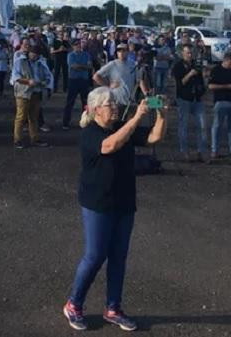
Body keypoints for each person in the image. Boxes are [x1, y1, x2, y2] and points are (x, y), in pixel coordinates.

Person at [62, 91, 167, 332]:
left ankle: (113, 308)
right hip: (97, 203)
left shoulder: (122, 126)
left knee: (119, 257)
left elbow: (154, 137)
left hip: (124, 201)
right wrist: (136, 117)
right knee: (95, 256)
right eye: (109, 104)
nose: (114, 107)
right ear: (96, 109)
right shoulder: (90, 133)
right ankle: (73, 304)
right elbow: (110, 146)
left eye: (114, 103)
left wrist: (161, 114)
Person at [171, 44, 207, 162]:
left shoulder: (196, 65)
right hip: (184, 99)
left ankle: (201, 152)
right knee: (183, 126)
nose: (190, 55)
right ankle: (184, 151)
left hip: (197, 98)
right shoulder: (178, 66)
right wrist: (190, 74)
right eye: (187, 53)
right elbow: (180, 83)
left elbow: (201, 80)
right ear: (182, 53)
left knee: (202, 126)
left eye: (191, 53)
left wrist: (202, 89)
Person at [11, 41, 50, 149]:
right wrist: (28, 81)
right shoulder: (20, 62)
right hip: (23, 92)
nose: (35, 56)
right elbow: (16, 77)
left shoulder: (40, 63)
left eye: (37, 55)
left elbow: (47, 76)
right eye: (33, 54)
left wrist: (44, 82)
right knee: (21, 116)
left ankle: (35, 138)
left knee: (34, 117)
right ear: (29, 53)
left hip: (36, 92)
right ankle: (17, 140)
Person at [208, 52, 231, 160]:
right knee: (217, 126)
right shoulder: (216, 70)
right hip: (220, 101)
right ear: (225, 60)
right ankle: (214, 150)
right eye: (230, 63)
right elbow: (211, 86)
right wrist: (226, 86)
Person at [94, 44, 136, 116]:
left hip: (129, 101)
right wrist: (108, 85)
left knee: (130, 124)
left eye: (124, 51)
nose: (121, 53)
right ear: (117, 53)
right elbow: (96, 76)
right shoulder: (112, 64)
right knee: (116, 123)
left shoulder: (132, 64)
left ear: (128, 52)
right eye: (119, 51)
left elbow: (139, 80)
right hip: (116, 101)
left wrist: (146, 93)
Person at [63, 39, 92, 131]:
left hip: (84, 80)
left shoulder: (86, 54)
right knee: (70, 102)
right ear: (73, 46)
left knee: (86, 103)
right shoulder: (70, 55)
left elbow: (90, 66)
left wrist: (80, 66)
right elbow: (73, 66)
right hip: (73, 80)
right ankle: (65, 122)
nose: (78, 46)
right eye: (75, 45)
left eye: (79, 44)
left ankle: (86, 122)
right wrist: (84, 66)